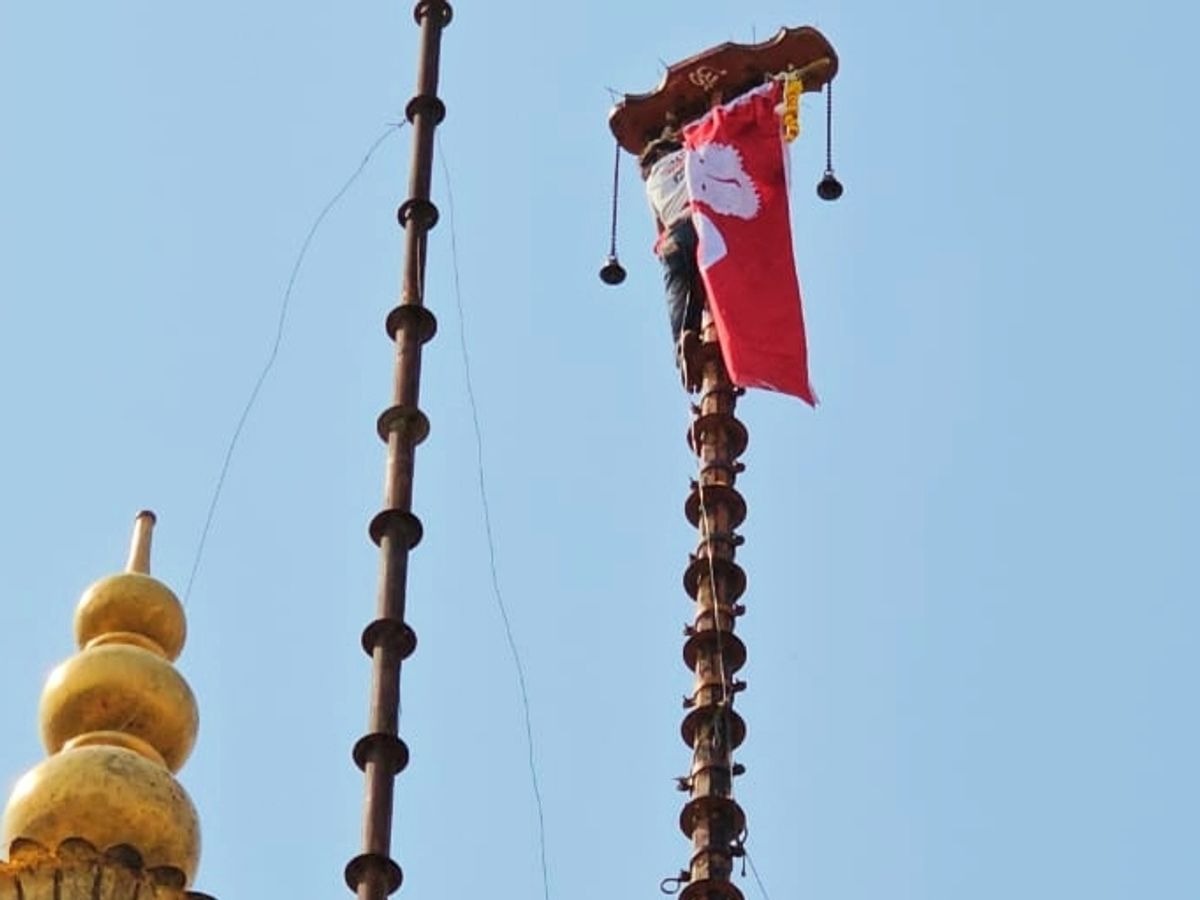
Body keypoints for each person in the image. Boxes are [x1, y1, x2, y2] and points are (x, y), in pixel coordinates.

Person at [640, 129, 702, 352]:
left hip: (673, 237)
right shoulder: (689, 153)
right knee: (703, 280)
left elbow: (659, 226)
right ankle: (697, 330)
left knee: (677, 290)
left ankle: (682, 344)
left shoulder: (651, 183)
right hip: (698, 221)